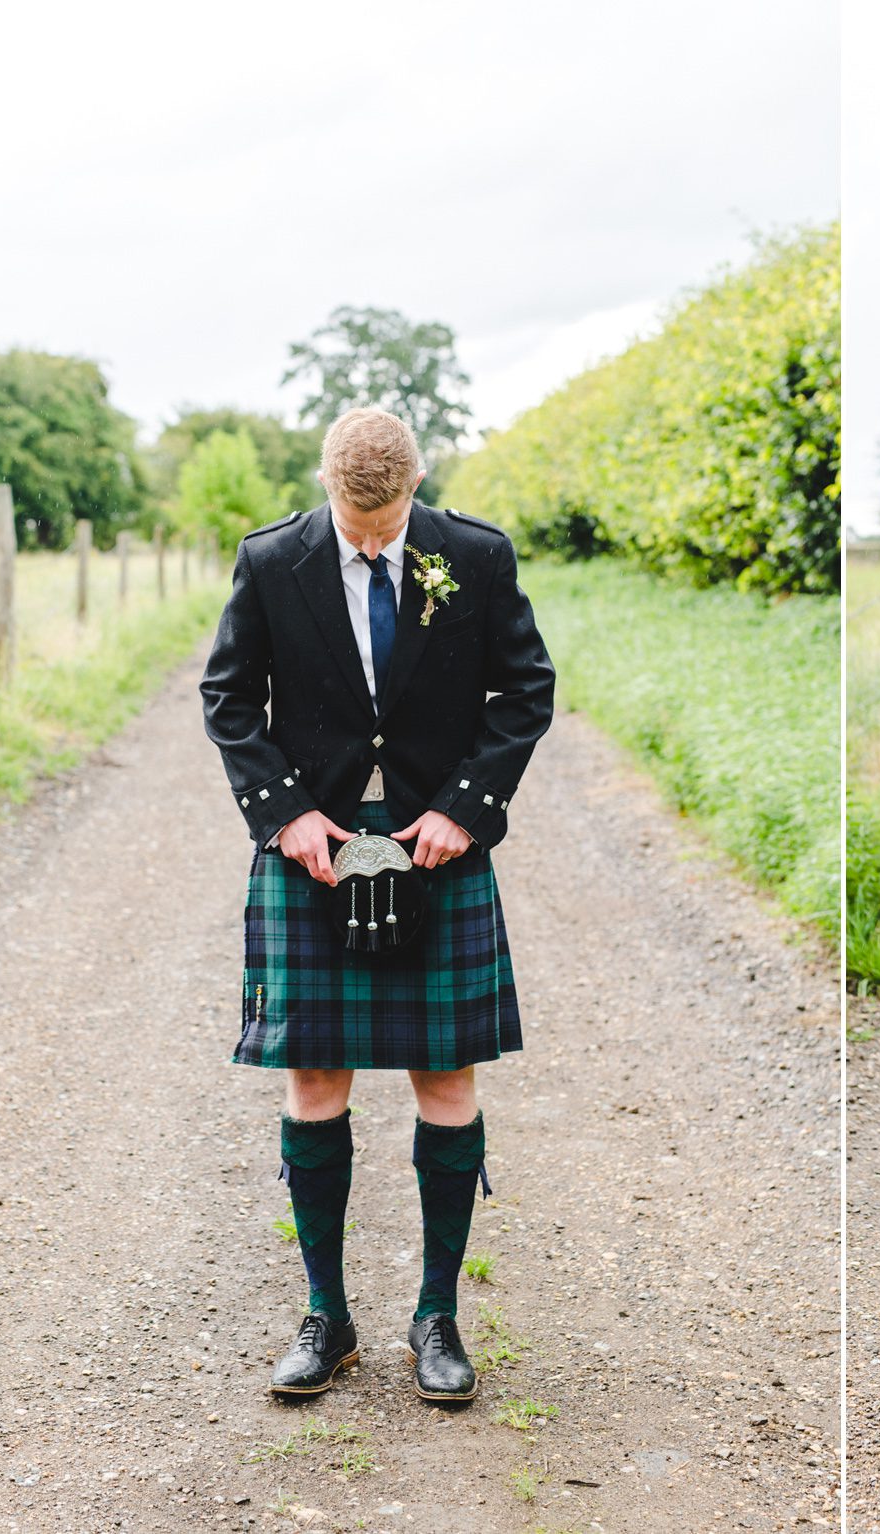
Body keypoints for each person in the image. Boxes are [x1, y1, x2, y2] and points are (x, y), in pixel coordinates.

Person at [201, 407, 556, 1402]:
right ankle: (327, 1314)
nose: (367, 540)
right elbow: (229, 700)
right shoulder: (273, 562)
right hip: (313, 854)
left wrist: (464, 808)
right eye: (352, 523)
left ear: (415, 486)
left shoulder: (472, 558)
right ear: (323, 479)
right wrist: (285, 817)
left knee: (444, 1077)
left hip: (434, 851)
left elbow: (525, 692)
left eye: (385, 524)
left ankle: (436, 1315)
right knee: (315, 1077)